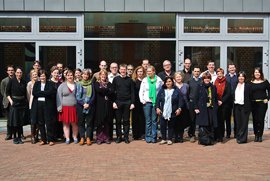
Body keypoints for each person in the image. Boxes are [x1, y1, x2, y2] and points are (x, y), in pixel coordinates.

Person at [32, 70, 57, 146]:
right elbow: (34, 93)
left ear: (46, 76)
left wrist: (41, 93)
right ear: (39, 77)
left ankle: (50, 139)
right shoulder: (36, 84)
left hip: (48, 105)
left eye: (44, 76)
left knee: (49, 122)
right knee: (40, 122)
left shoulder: (51, 84)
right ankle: (43, 139)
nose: (42, 77)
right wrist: (45, 93)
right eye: (41, 76)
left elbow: (51, 92)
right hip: (38, 105)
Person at [156, 77, 183, 145]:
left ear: (172, 82)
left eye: (170, 81)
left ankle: (170, 139)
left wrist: (179, 108)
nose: (168, 83)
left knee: (171, 125)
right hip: (163, 111)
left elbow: (180, 100)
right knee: (162, 125)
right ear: (165, 83)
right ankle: (164, 139)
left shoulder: (176, 90)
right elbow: (157, 100)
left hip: (173, 110)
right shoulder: (162, 90)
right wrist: (157, 108)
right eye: (167, 82)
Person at [139, 65, 163, 143]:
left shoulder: (159, 80)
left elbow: (160, 92)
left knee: (154, 120)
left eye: (150, 71)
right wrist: (142, 100)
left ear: (154, 71)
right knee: (148, 121)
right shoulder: (145, 80)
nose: (148, 72)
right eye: (147, 71)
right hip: (147, 103)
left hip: (155, 103)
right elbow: (141, 91)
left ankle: (154, 137)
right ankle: (148, 136)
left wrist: (159, 102)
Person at [112, 64, 135, 144]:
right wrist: (113, 102)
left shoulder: (130, 80)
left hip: (127, 102)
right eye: (121, 69)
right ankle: (119, 137)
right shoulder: (116, 79)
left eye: (124, 69)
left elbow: (132, 93)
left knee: (126, 121)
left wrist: (132, 103)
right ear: (119, 70)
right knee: (118, 121)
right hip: (118, 102)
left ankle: (126, 137)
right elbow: (112, 92)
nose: (122, 71)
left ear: (126, 70)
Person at [194, 72, 218, 146]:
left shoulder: (213, 87)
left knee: (210, 124)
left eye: (208, 78)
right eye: (205, 78)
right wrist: (196, 107)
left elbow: (215, 98)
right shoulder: (199, 86)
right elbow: (196, 98)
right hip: (202, 108)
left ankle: (210, 139)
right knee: (203, 124)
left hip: (211, 108)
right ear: (203, 79)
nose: (207, 80)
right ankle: (203, 140)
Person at [6, 67, 28, 144]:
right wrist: (11, 101)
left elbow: (25, 93)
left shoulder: (24, 82)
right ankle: (15, 137)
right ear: (15, 73)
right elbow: (7, 92)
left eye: (20, 73)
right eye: (18, 72)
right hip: (14, 103)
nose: (19, 74)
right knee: (15, 121)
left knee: (20, 121)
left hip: (22, 103)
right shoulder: (11, 81)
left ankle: (19, 137)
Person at [57, 69, 78, 144]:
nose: (70, 76)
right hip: (65, 108)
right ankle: (67, 138)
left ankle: (75, 137)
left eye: (71, 75)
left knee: (74, 123)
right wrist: (59, 107)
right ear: (65, 76)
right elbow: (58, 97)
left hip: (74, 108)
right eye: (68, 75)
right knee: (66, 124)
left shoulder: (77, 85)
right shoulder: (62, 86)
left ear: (73, 76)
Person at [250, 67, 270, 142]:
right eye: (255, 72)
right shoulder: (251, 82)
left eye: (258, 72)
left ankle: (260, 135)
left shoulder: (265, 82)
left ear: (261, 73)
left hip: (262, 104)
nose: (257, 73)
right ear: (253, 74)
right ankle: (256, 135)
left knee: (261, 119)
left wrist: (267, 98)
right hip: (253, 103)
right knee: (255, 120)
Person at [94, 70, 114, 144]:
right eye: (102, 74)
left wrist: (104, 90)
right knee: (100, 122)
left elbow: (112, 91)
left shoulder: (109, 83)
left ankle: (106, 138)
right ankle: (99, 138)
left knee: (106, 122)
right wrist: (106, 90)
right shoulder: (96, 83)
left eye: (105, 74)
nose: (103, 76)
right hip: (99, 105)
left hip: (107, 105)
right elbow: (98, 90)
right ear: (99, 75)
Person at [76, 69, 95, 146]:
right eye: (84, 74)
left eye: (87, 74)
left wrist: (88, 104)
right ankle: (82, 138)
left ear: (89, 75)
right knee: (81, 122)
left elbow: (93, 96)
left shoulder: (91, 84)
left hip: (89, 106)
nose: (85, 76)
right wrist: (83, 103)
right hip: (80, 106)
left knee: (89, 123)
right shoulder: (78, 84)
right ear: (82, 75)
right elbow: (77, 96)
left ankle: (88, 138)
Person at [233, 71, 251, 144]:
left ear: (244, 78)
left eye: (242, 76)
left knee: (244, 123)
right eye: (239, 76)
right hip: (237, 106)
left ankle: (243, 139)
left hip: (244, 106)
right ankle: (239, 136)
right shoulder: (235, 85)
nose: (241, 78)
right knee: (238, 122)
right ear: (238, 78)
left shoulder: (247, 86)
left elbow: (250, 96)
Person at [214, 68, 231, 142]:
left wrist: (222, 101)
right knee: (217, 120)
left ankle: (221, 136)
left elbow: (228, 94)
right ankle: (216, 136)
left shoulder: (227, 83)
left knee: (222, 120)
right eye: (218, 74)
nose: (219, 75)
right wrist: (217, 100)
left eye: (220, 73)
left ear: (223, 74)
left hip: (224, 105)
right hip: (216, 104)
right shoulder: (215, 82)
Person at [174, 72, 190, 143]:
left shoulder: (186, 86)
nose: (178, 78)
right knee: (175, 121)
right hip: (175, 106)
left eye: (180, 77)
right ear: (174, 78)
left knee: (182, 122)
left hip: (185, 106)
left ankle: (181, 137)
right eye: (177, 77)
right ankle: (175, 136)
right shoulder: (173, 85)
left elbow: (188, 96)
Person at [131, 66, 146, 140]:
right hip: (136, 102)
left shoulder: (146, 81)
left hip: (144, 102)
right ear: (136, 72)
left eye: (141, 71)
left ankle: (143, 133)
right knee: (135, 118)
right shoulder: (133, 81)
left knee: (143, 118)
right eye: (138, 71)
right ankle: (136, 134)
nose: (140, 73)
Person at [0, 65, 15, 140]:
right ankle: (9, 134)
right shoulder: (4, 81)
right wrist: (8, 98)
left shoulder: (17, 79)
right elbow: (2, 92)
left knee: (16, 119)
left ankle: (18, 134)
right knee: (9, 119)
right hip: (7, 102)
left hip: (16, 101)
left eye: (12, 70)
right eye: (9, 70)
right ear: (7, 72)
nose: (11, 71)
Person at [187, 66, 201, 142]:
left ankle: (200, 133)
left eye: (198, 71)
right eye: (195, 71)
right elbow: (188, 92)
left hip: (200, 103)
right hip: (192, 103)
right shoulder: (190, 81)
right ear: (193, 72)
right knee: (192, 119)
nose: (196, 73)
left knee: (199, 119)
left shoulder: (202, 81)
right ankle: (191, 134)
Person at [50, 66, 63, 141]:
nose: (56, 74)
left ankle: (60, 135)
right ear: (52, 73)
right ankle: (53, 136)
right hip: (51, 104)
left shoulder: (60, 83)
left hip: (59, 104)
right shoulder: (49, 82)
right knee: (52, 120)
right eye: (54, 73)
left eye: (57, 73)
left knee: (59, 120)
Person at [225, 63, 238, 138]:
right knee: (227, 117)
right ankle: (228, 133)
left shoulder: (238, 77)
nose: (232, 69)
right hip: (227, 100)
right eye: (230, 68)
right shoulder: (225, 77)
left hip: (236, 99)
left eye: (233, 68)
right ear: (228, 69)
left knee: (236, 117)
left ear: (235, 68)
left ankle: (236, 133)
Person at [26, 69, 39, 144]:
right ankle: (33, 136)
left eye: (36, 74)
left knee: (39, 121)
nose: (35, 76)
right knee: (33, 121)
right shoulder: (29, 84)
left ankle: (37, 135)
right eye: (33, 75)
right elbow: (28, 94)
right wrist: (30, 102)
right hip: (32, 103)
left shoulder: (40, 83)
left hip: (39, 104)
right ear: (31, 76)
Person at [107, 62, 119, 140]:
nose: (114, 69)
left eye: (116, 67)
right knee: (109, 120)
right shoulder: (107, 77)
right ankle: (109, 136)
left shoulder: (120, 76)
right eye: (113, 67)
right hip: (109, 101)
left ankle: (118, 136)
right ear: (110, 68)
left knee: (118, 120)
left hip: (118, 101)